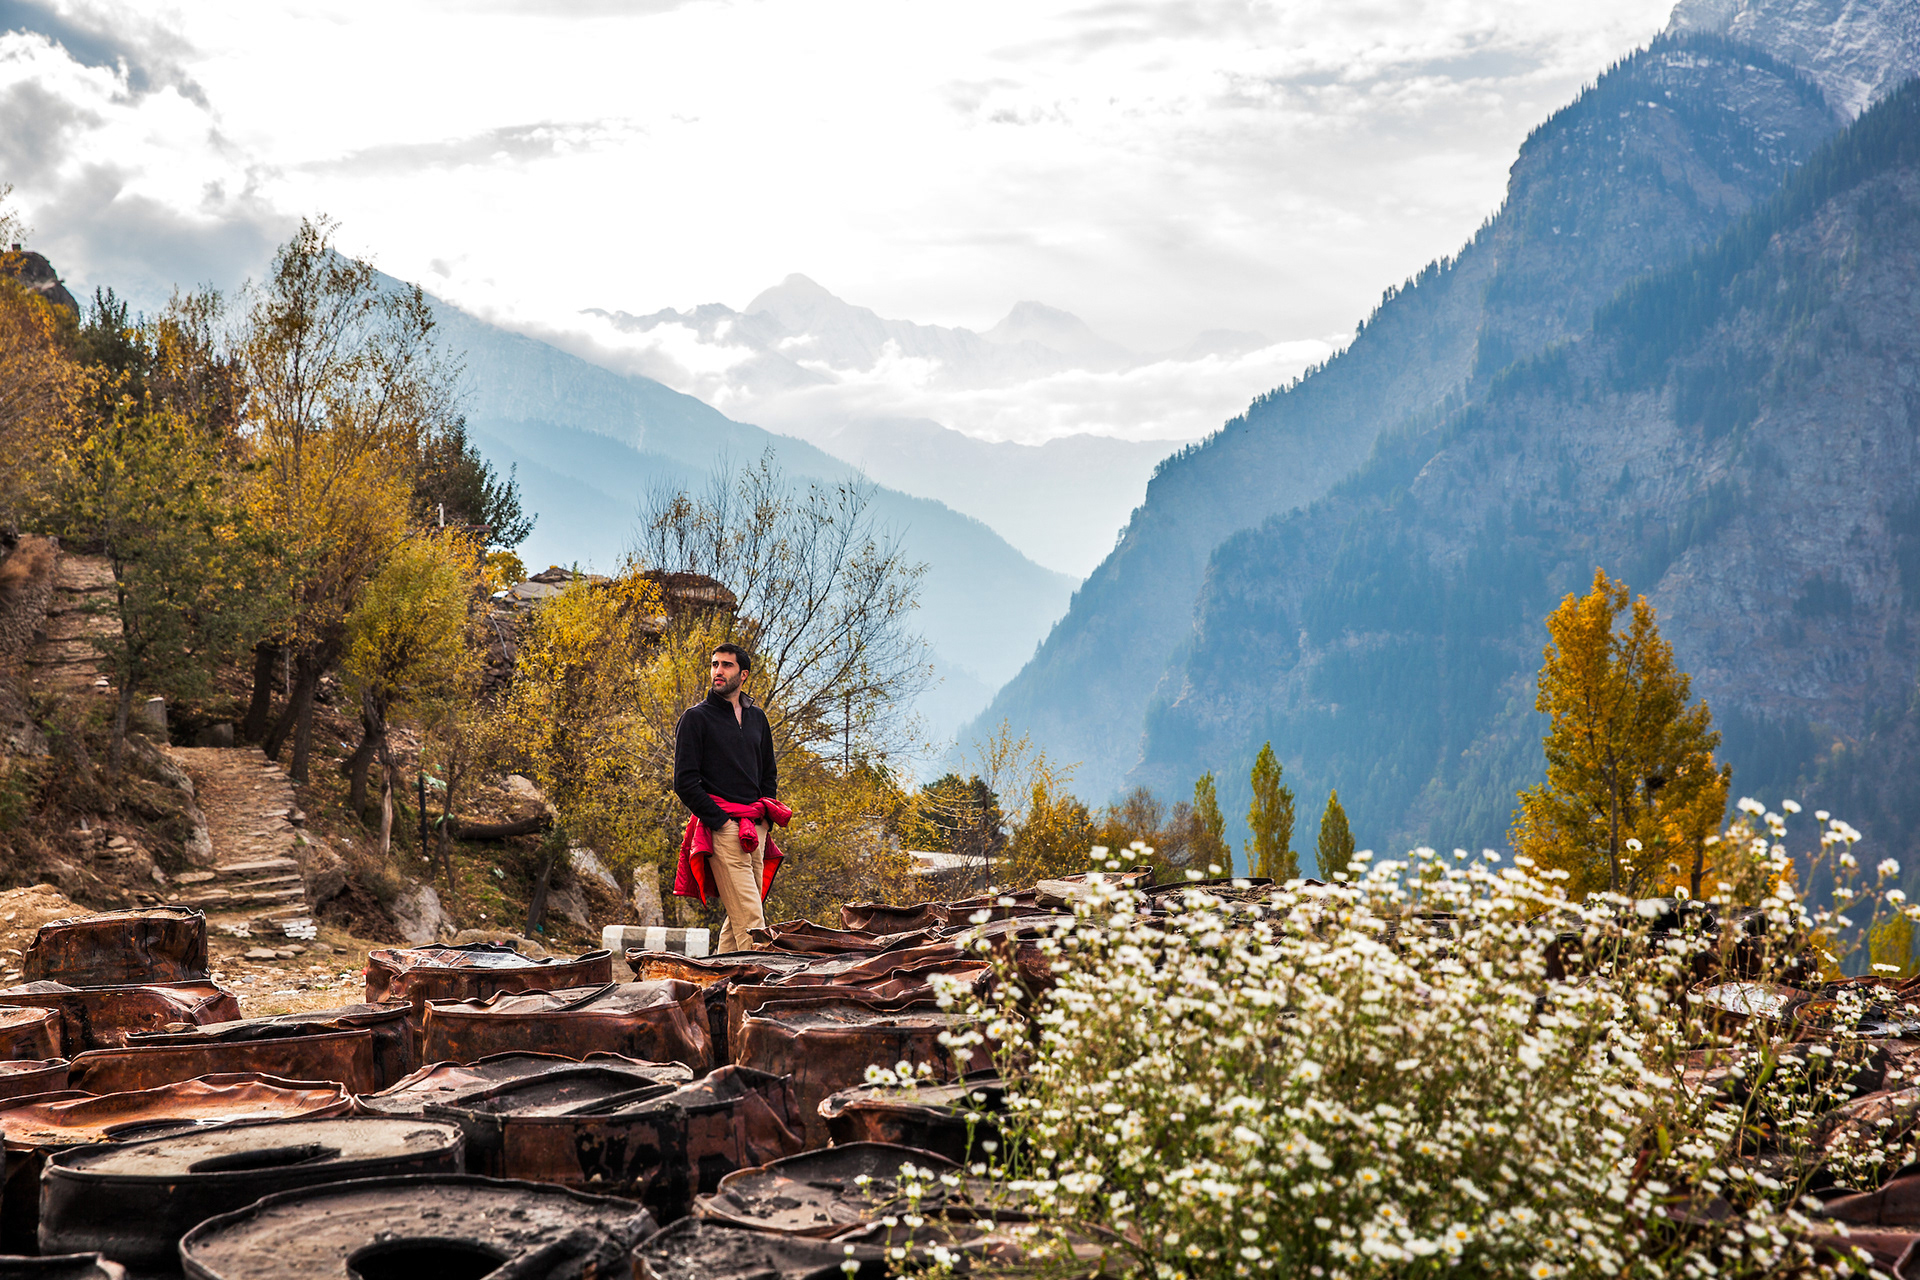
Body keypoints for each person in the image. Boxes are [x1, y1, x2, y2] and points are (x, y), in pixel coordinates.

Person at [671, 643, 790, 952]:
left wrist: (764, 822)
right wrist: (721, 823)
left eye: (726, 665)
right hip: (723, 829)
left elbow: (768, 774)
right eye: (715, 664)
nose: (718, 671)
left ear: (743, 674)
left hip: (756, 827)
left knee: (741, 912)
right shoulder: (695, 718)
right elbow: (684, 782)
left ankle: (721, 976)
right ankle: (759, 977)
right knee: (752, 919)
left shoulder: (757, 718)